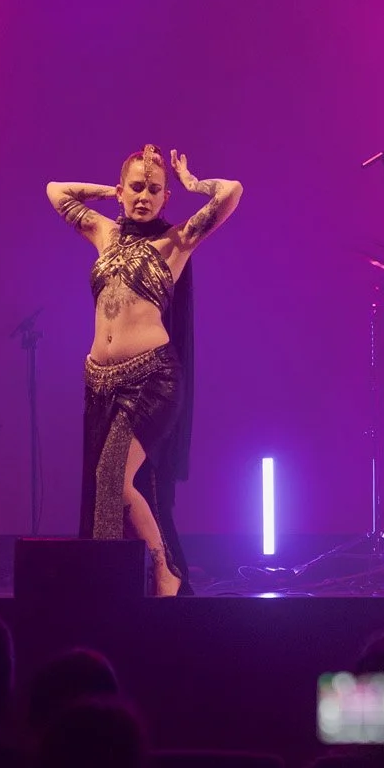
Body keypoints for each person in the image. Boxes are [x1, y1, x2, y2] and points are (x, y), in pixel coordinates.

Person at [48, 145, 241, 596]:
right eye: (135, 187)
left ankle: (163, 572)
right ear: (122, 190)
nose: (144, 196)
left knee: (113, 479)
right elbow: (55, 191)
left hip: (152, 380)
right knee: (104, 497)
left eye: (154, 190)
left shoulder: (175, 242)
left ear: (165, 198)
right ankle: (115, 589)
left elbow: (231, 192)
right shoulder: (104, 232)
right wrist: (108, 191)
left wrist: (193, 184)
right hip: (99, 382)